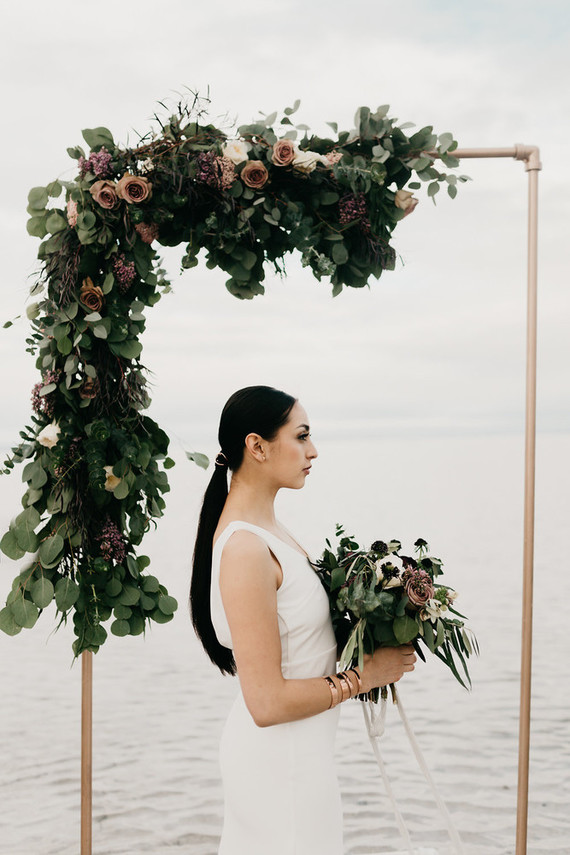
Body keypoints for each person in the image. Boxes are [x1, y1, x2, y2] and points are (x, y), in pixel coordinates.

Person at [190, 385, 416, 855]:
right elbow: (266, 703)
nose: (313, 451)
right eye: (301, 436)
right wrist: (365, 676)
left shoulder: (269, 530)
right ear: (257, 446)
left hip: (303, 754)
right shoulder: (246, 548)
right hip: (279, 764)